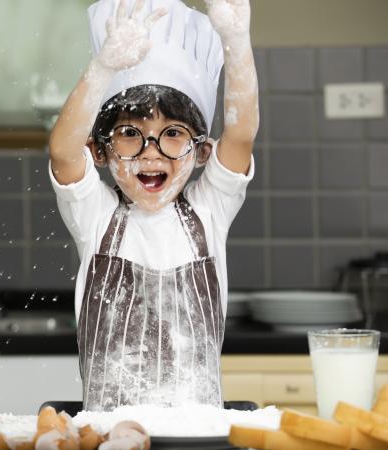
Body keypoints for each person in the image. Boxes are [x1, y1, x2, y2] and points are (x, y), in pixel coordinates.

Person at [48, 0, 258, 411]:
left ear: (202, 152)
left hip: (200, 435)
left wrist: (236, 42)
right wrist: (103, 68)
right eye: (129, 133)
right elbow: (61, 151)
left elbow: (241, 134)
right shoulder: (96, 218)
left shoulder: (210, 211)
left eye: (173, 134)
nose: (151, 154)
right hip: (110, 434)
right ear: (100, 151)